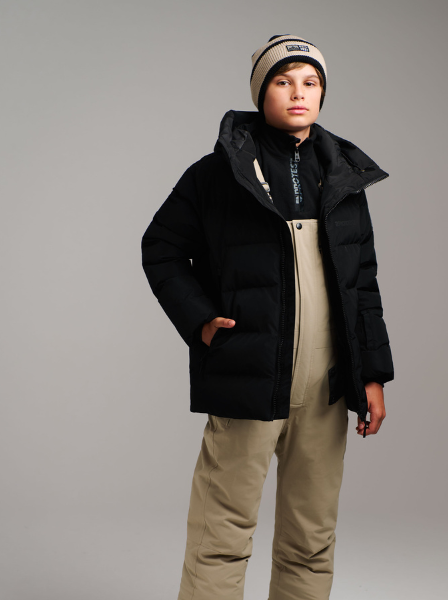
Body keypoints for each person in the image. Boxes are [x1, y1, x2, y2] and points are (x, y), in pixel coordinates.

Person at [141, 34, 394, 600]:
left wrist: (372, 375)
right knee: (221, 532)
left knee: (311, 537)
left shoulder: (346, 179)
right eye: (283, 81)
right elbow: (160, 248)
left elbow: (363, 284)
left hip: (327, 387)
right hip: (247, 376)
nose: (298, 93)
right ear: (261, 93)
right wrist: (200, 320)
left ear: (322, 93)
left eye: (311, 82)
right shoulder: (216, 175)